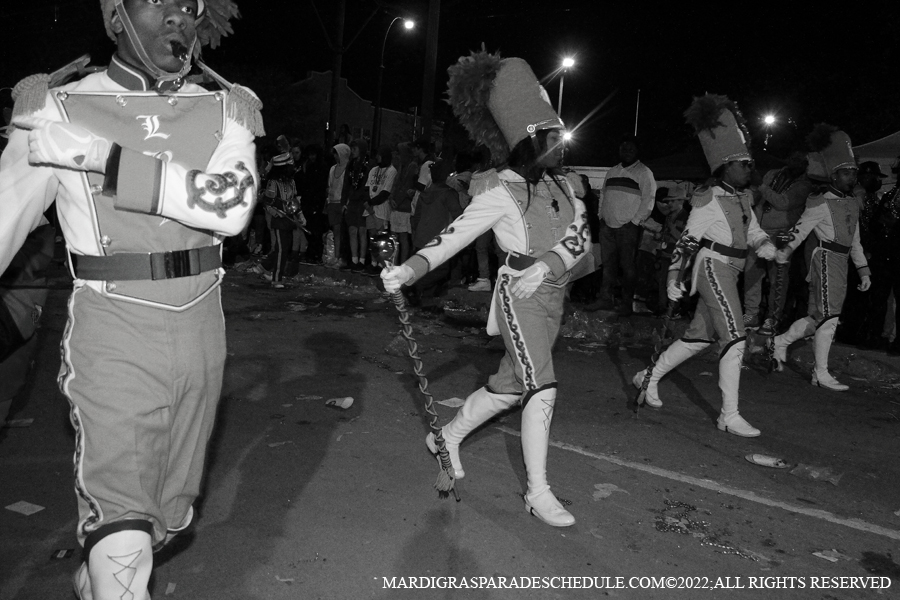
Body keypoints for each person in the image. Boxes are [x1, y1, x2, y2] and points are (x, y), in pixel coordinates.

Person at [0, 0, 261, 597]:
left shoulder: (227, 108)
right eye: (155, 0)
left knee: (167, 516)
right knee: (123, 525)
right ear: (115, 18)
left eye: (188, 5)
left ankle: (98, 574)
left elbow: (230, 206)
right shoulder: (55, 107)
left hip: (202, 330)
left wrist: (102, 157)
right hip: (112, 328)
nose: (176, 15)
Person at [382, 50, 592, 527]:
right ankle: (538, 492)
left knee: (511, 385)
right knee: (541, 384)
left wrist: (553, 262)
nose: (563, 146)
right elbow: (451, 238)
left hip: (553, 296)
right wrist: (407, 271)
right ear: (532, 141)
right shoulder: (498, 190)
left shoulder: (566, 187)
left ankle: (446, 436)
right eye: (555, 138)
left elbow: (581, 236)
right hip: (520, 297)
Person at [632, 94, 777, 437]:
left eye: (749, 163)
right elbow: (687, 241)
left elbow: (753, 230)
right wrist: (673, 276)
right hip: (713, 267)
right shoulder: (707, 198)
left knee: (699, 338)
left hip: (732, 270)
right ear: (726, 165)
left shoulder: (743, 197)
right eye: (744, 163)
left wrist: (765, 244)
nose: (750, 168)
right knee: (735, 337)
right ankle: (729, 415)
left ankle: (648, 375)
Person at [773, 125, 871, 390]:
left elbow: (855, 241)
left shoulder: (852, 202)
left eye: (854, 172)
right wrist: (785, 250)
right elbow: (801, 230)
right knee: (829, 317)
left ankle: (780, 342)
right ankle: (820, 373)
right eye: (846, 173)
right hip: (825, 260)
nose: (852, 177)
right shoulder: (819, 201)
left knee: (819, 317)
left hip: (841, 263)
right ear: (833, 176)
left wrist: (863, 269)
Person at [743, 151, 812, 335]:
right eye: (792, 158)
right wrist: (751, 196)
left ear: (805, 164)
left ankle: (772, 318)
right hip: (759, 231)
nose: (795, 162)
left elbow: (783, 203)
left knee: (778, 278)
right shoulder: (773, 174)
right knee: (751, 274)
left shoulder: (804, 185)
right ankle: (751, 314)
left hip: (781, 234)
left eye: (799, 160)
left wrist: (761, 186)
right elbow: (760, 195)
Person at [595, 135, 657, 316]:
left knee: (628, 267)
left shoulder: (644, 173)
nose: (627, 152)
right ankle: (605, 299)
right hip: (607, 226)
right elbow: (603, 194)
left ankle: (626, 303)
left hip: (628, 228)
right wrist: (601, 215)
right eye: (624, 149)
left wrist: (635, 222)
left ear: (637, 151)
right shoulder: (612, 171)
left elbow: (649, 200)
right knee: (608, 265)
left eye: (631, 149)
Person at [264, 153, 302, 288]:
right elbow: (268, 203)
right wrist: (276, 213)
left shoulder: (292, 182)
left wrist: (300, 216)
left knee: (284, 249)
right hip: (279, 221)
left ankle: (266, 268)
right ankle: (276, 279)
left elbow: (294, 201)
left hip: (289, 220)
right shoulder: (273, 183)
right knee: (281, 250)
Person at [365, 144, 396, 274]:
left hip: (382, 209)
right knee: (372, 237)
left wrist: (370, 202)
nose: (377, 157)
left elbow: (385, 192)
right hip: (369, 208)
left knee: (381, 238)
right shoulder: (373, 170)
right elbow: (367, 188)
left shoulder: (392, 171)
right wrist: (368, 203)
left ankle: (381, 264)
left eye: (379, 154)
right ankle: (373, 262)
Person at [343, 138, 370, 271]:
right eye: (351, 149)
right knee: (352, 229)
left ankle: (362, 260)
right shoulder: (351, 164)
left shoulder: (367, 165)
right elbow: (346, 184)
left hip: (362, 201)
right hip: (352, 201)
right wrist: (344, 201)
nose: (352, 151)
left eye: (354, 149)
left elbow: (366, 184)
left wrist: (365, 199)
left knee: (362, 230)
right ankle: (354, 259)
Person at [389, 141, 418, 264]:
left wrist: (397, 201)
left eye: (399, 153)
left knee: (403, 238)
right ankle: (394, 263)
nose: (397, 156)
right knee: (395, 238)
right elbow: (395, 185)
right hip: (396, 206)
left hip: (405, 207)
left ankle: (402, 264)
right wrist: (391, 198)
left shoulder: (412, 166)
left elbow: (407, 186)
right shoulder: (401, 166)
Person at [325, 143, 350, 267]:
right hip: (332, 202)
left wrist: (346, 202)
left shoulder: (348, 169)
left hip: (342, 203)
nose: (335, 156)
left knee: (343, 231)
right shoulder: (332, 169)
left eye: (337, 153)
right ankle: (336, 256)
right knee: (335, 231)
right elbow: (330, 185)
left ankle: (342, 257)